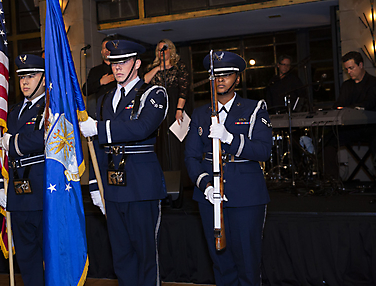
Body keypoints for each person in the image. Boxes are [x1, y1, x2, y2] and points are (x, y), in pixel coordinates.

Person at [79, 40, 168, 286]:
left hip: (141, 186)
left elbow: (142, 128)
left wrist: (100, 127)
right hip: (113, 188)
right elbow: (97, 146)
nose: (118, 68)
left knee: (146, 256)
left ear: (137, 64)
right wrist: (96, 185)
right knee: (122, 257)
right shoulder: (105, 100)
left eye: (124, 62)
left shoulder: (153, 94)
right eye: (114, 62)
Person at [185, 51, 272, 286]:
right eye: (215, 75)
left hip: (246, 196)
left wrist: (230, 138)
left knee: (247, 261)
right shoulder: (200, 113)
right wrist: (205, 185)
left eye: (226, 75)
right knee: (221, 262)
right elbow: (191, 156)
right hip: (210, 198)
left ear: (237, 79)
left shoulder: (254, 109)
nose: (220, 80)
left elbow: (264, 151)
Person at [0, 54, 46, 286]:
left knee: (50, 254)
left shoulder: (51, 108)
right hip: (17, 190)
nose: (25, 82)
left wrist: (14, 142)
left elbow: (45, 137)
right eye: (22, 76)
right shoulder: (11, 112)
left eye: (31, 76)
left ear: (44, 79)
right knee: (26, 256)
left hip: (44, 189)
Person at [324, 51, 376, 183]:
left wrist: (352, 108)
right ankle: (332, 181)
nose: (349, 71)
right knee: (328, 140)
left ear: (361, 65)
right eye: (346, 69)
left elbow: (370, 103)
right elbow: (339, 105)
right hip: (350, 129)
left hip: (370, 128)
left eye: (351, 68)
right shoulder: (347, 86)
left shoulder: (373, 82)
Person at [144, 39, 188, 172]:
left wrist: (179, 109)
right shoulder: (152, 68)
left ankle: (179, 177)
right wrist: (158, 68)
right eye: (159, 49)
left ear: (171, 50)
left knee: (175, 141)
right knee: (160, 141)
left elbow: (184, 89)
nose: (161, 51)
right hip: (157, 107)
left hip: (174, 104)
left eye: (164, 48)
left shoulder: (179, 67)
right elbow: (144, 82)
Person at [82, 36, 117, 103]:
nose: (107, 50)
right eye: (104, 48)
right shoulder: (95, 70)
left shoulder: (120, 68)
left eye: (109, 48)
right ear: (101, 51)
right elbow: (85, 91)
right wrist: (100, 82)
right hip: (101, 109)